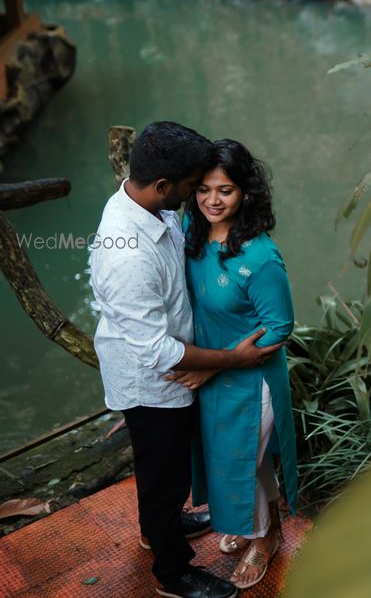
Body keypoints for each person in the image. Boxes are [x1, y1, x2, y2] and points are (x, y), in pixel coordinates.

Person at [89, 122, 280, 598]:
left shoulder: (150, 207)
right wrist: (231, 359)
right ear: (162, 187)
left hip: (168, 364)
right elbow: (158, 351)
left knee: (164, 472)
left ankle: (160, 529)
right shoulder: (126, 254)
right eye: (193, 186)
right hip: (154, 380)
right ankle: (172, 573)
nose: (200, 194)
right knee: (163, 476)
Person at [167, 139, 298, 591]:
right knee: (240, 460)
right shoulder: (193, 231)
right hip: (213, 371)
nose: (212, 201)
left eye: (224, 190)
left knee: (243, 459)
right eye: (203, 190)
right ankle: (259, 524)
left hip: (250, 379)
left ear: (245, 192)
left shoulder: (259, 257)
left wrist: (213, 368)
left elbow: (279, 327)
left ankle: (264, 538)